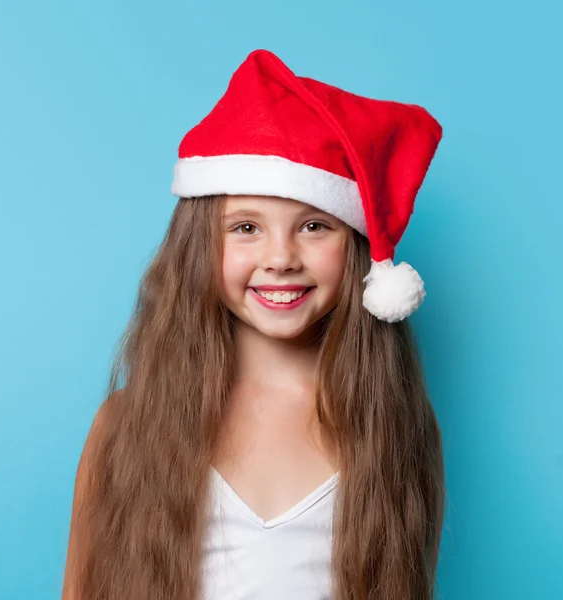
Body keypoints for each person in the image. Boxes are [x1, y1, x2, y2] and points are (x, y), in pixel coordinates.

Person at [61, 48, 446, 600]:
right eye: (245, 227)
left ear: (356, 251)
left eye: (314, 225)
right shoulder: (125, 424)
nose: (281, 257)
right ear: (199, 248)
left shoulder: (391, 425)